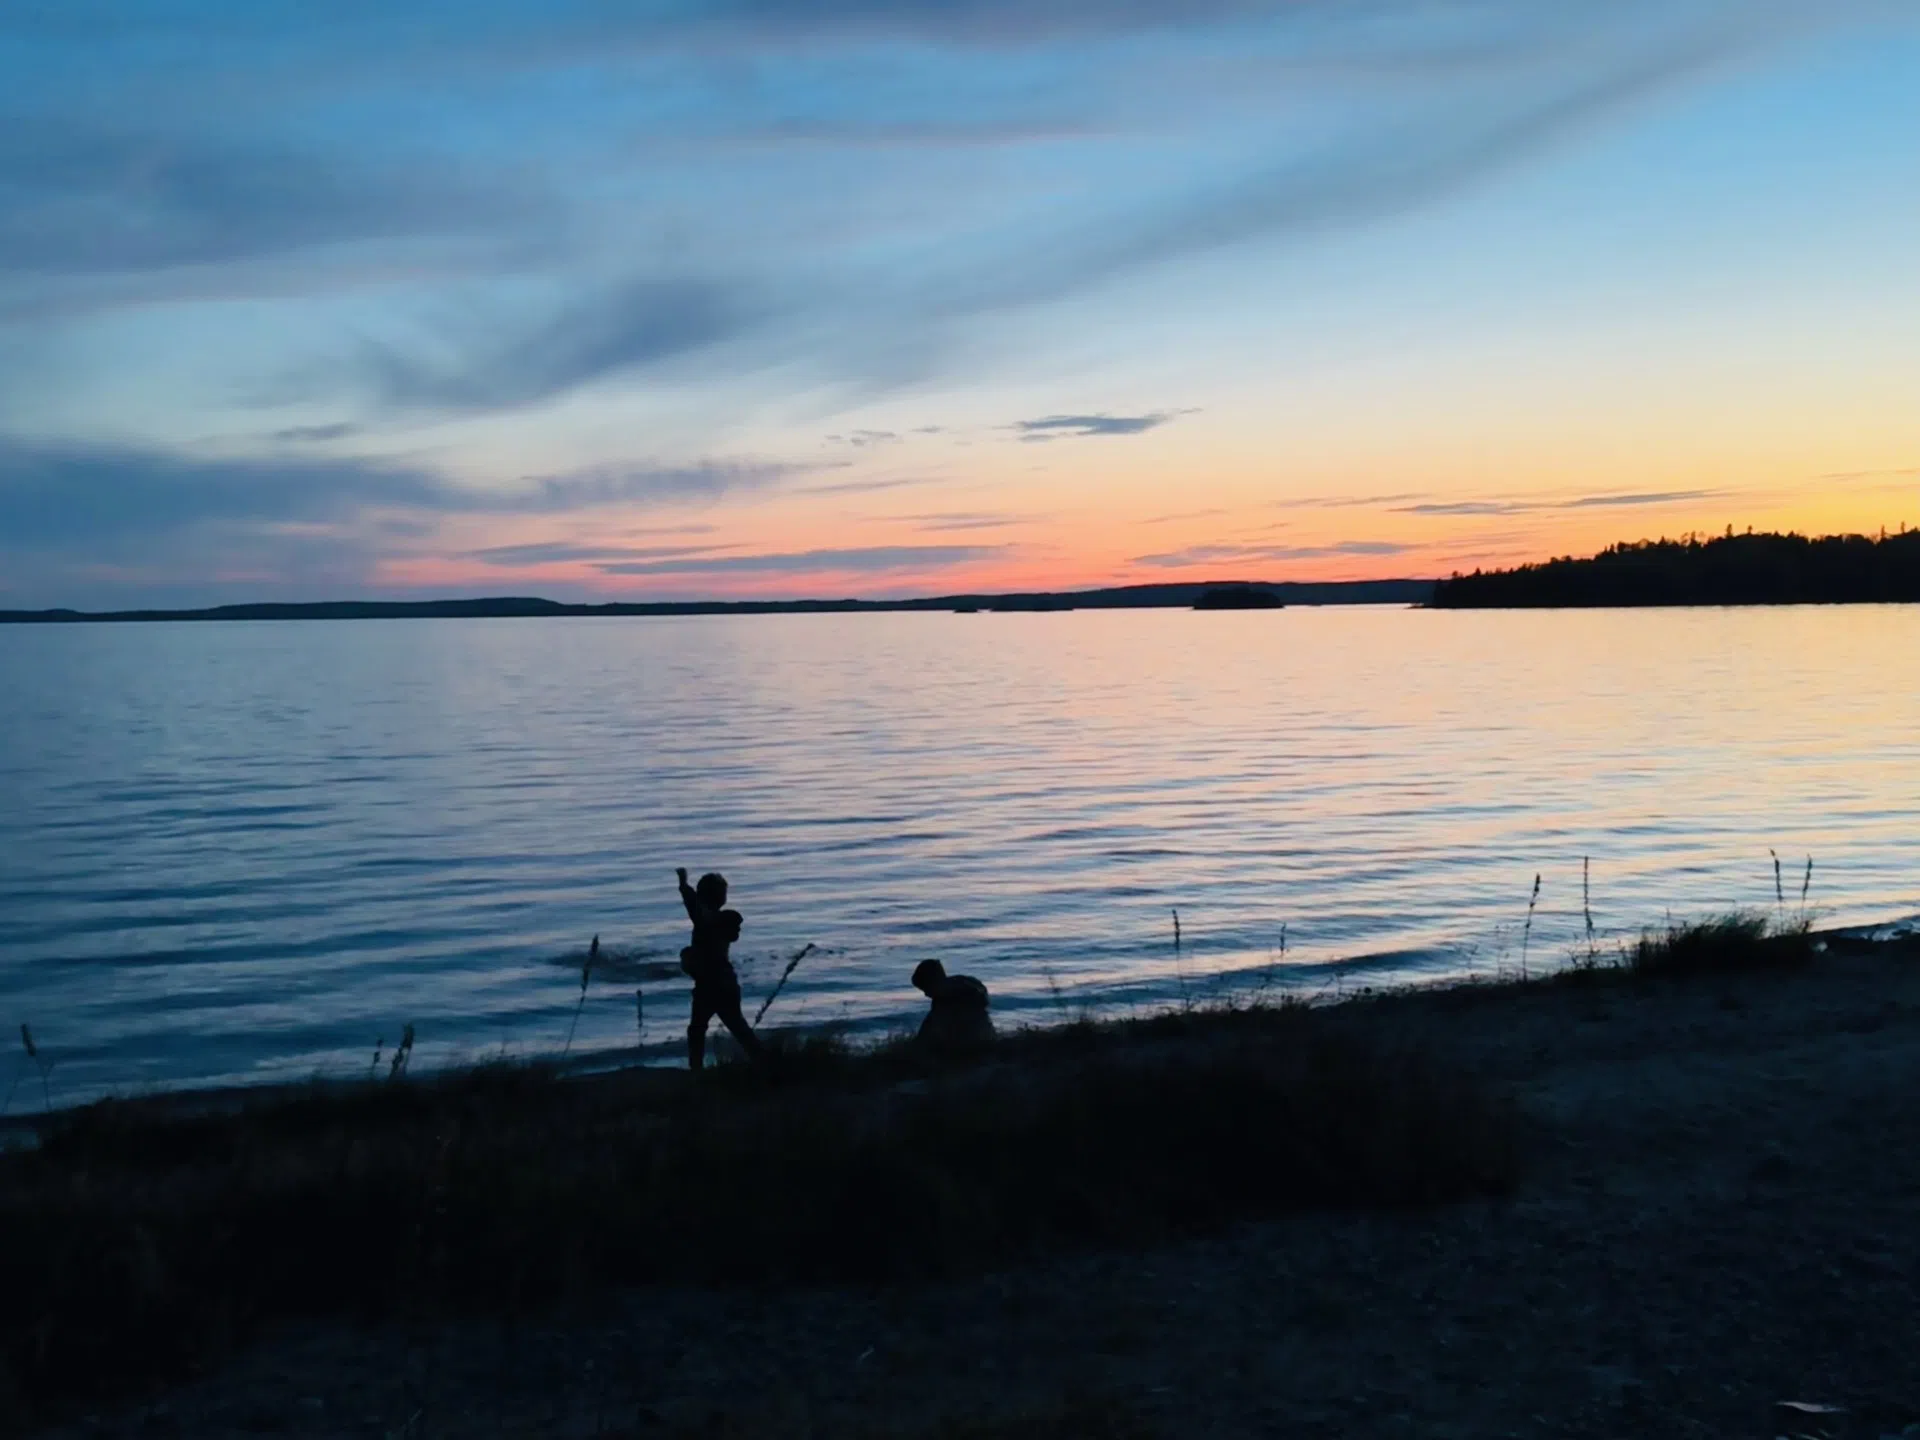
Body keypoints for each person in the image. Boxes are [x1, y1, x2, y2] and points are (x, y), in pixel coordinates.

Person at [676, 866, 765, 1070]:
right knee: (738, 1026)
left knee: (697, 1030)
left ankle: (696, 1069)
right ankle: (762, 1060)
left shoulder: (706, 920)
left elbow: (692, 905)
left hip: (709, 984)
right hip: (726, 982)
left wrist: (683, 884)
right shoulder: (722, 920)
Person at [911, 958, 993, 1055]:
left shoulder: (943, 1000)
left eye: (925, 989)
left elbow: (926, 1030)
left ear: (932, 982)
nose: (926, 994)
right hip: (983, 1035)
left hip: (972, 1044)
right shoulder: (961, 983)